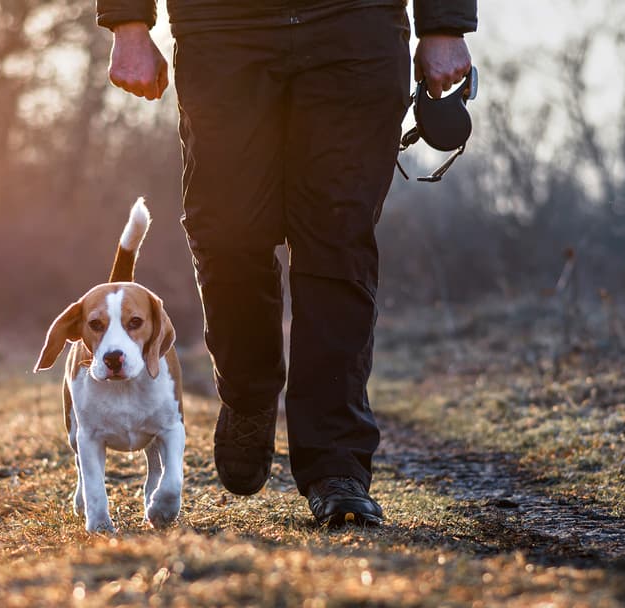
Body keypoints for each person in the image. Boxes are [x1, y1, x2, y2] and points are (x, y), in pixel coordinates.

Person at [97, 0, 476, 526]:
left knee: (338, 239)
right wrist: (128, 21)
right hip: (223, 26)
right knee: (227, 233)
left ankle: (336, 463)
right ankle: (250, 393)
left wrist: (445, 24)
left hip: (356, 23)